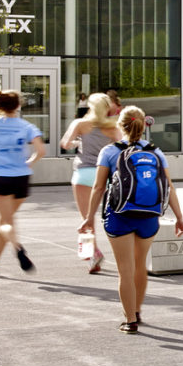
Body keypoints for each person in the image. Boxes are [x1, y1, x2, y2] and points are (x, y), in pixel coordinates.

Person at [81, 106, 183, 332]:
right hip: (149, 216)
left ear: (120, 124)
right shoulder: (156, 152)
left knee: (125, 270)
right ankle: (137, 309)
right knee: (140, 266)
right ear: (143, 124)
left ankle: (130, 320)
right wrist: (179, 216)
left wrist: (88, 218)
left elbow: (99, 187)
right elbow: (169, 186)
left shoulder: (109, 151)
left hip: (119, 216)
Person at [0, 90, 44, 275]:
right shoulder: (26, 126)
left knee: (6, 222)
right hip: (21, 177)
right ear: (18, 105)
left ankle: (18, 248)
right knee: (6, 221)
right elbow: (40, 150)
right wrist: (29, 163)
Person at [60, 93, 121, 273]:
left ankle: (92, 255)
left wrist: (77, 142)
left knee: (86, 217)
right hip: (102, 174)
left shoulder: (80, 124)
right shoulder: (112, 126)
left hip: (83, 173)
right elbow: (123, 146)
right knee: (107, 215)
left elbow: (65, 143)